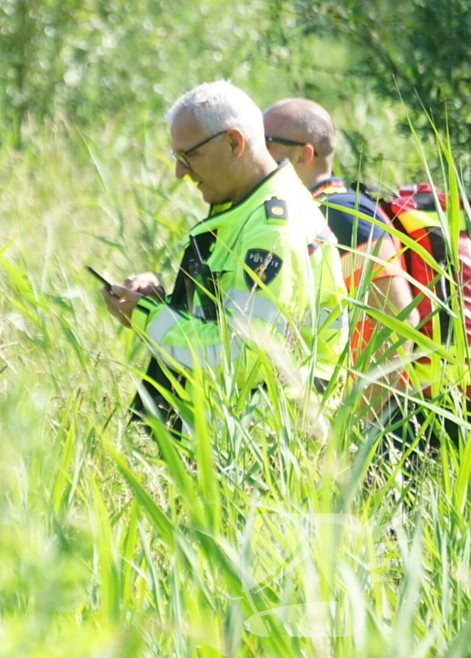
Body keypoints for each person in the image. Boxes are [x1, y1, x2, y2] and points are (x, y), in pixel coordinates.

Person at [102, 81, 347, 429]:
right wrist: (165, 302)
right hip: (233, 436)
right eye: (177, 158)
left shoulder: (273, 230)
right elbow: (219, 318)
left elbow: (241, 356)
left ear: (234, 142)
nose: (180, 172)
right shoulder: (244, 209)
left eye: (190, 155)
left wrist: (147, 317)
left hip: (265, 447)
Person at [263, 98, 421, 414]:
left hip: (386, 421)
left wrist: (356, 428)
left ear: (303, 154)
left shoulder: (342, 214)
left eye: (264, 142)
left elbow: (399, 320)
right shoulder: (306, 213)